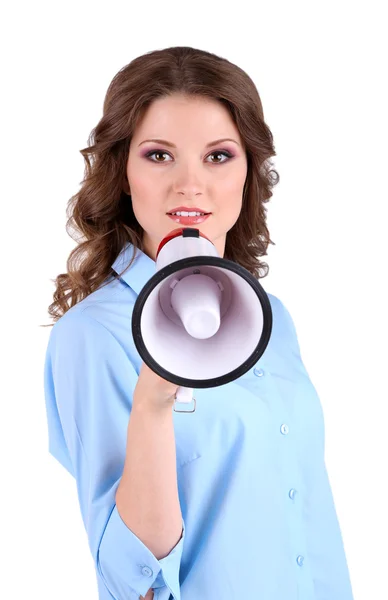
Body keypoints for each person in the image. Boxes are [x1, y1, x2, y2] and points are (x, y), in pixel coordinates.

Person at [42, 46, 354, 600]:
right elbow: (130, 582)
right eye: (159, 155)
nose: (190, 184)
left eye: (218, 156)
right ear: (122, 173)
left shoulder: (272, 319)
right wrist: (155, 401)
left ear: (248, 171)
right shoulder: (94, 336)